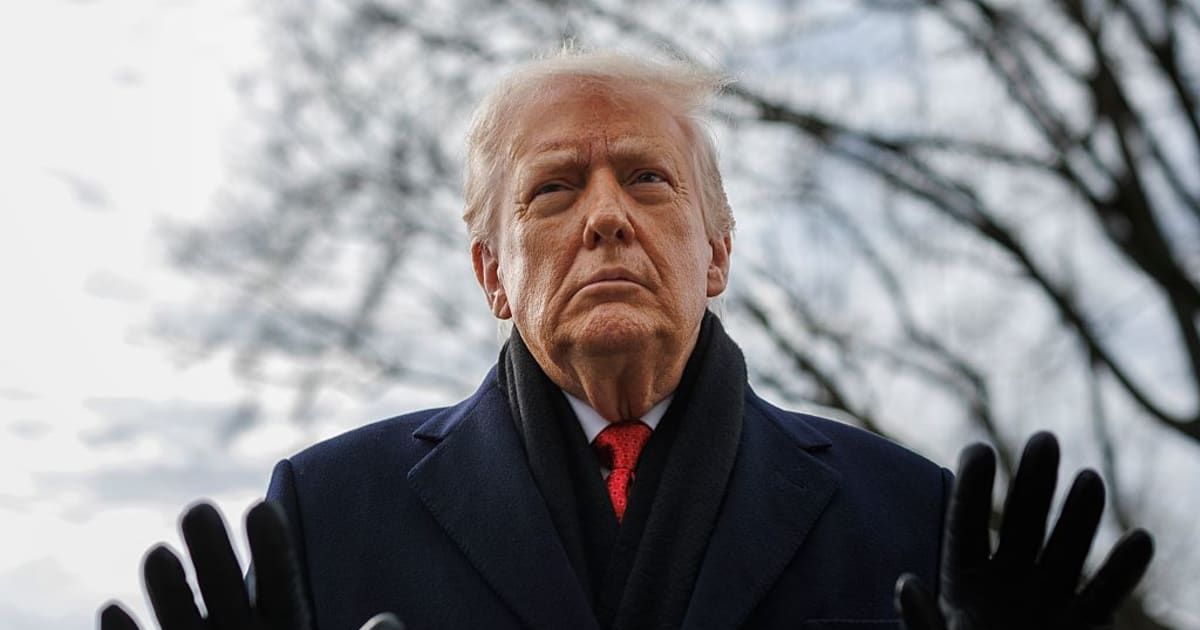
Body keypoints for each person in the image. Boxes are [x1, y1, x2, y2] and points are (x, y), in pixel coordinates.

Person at [99, 49, 1153, 630]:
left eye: (648, 178)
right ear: (491, 276)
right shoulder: (330, 517)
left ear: (716, 253)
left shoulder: (915, 520)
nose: (606, 215)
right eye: (554, 188)